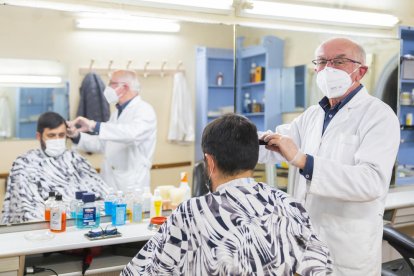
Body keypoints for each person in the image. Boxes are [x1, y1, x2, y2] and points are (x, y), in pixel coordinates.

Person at [121, 114, 332, 275]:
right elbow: (321, 267)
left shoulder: (191, 212)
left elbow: (144, 271)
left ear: (210, 162)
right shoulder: (289, 205)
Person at [259, 38, 400, 275]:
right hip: (306, 246)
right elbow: (277, 143)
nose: (328, 69)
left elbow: (371, 181)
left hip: (346, 253)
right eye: (322, 61)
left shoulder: (379, 115)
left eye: (339, 61)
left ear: (361, 71)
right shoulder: (313, 115)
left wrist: (304, 161)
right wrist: (234, 139)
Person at [1, 112, 110, 224]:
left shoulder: (76, 159)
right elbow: (28, 211)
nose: (57, 139)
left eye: (61, 135)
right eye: (51, 135)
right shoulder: (25, 164)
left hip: (84, 224)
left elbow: (104, 196)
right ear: (39, 137)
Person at [67, 70, 157, 192]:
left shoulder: (144, 110)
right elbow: (103, 143)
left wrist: (94, 125)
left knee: (131, 210)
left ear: (124, 87)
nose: (107, 88)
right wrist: (76, 136)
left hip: (132, 183)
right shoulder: (116, 114)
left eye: (111, 84)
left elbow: (132, 134)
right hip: (110, 180)